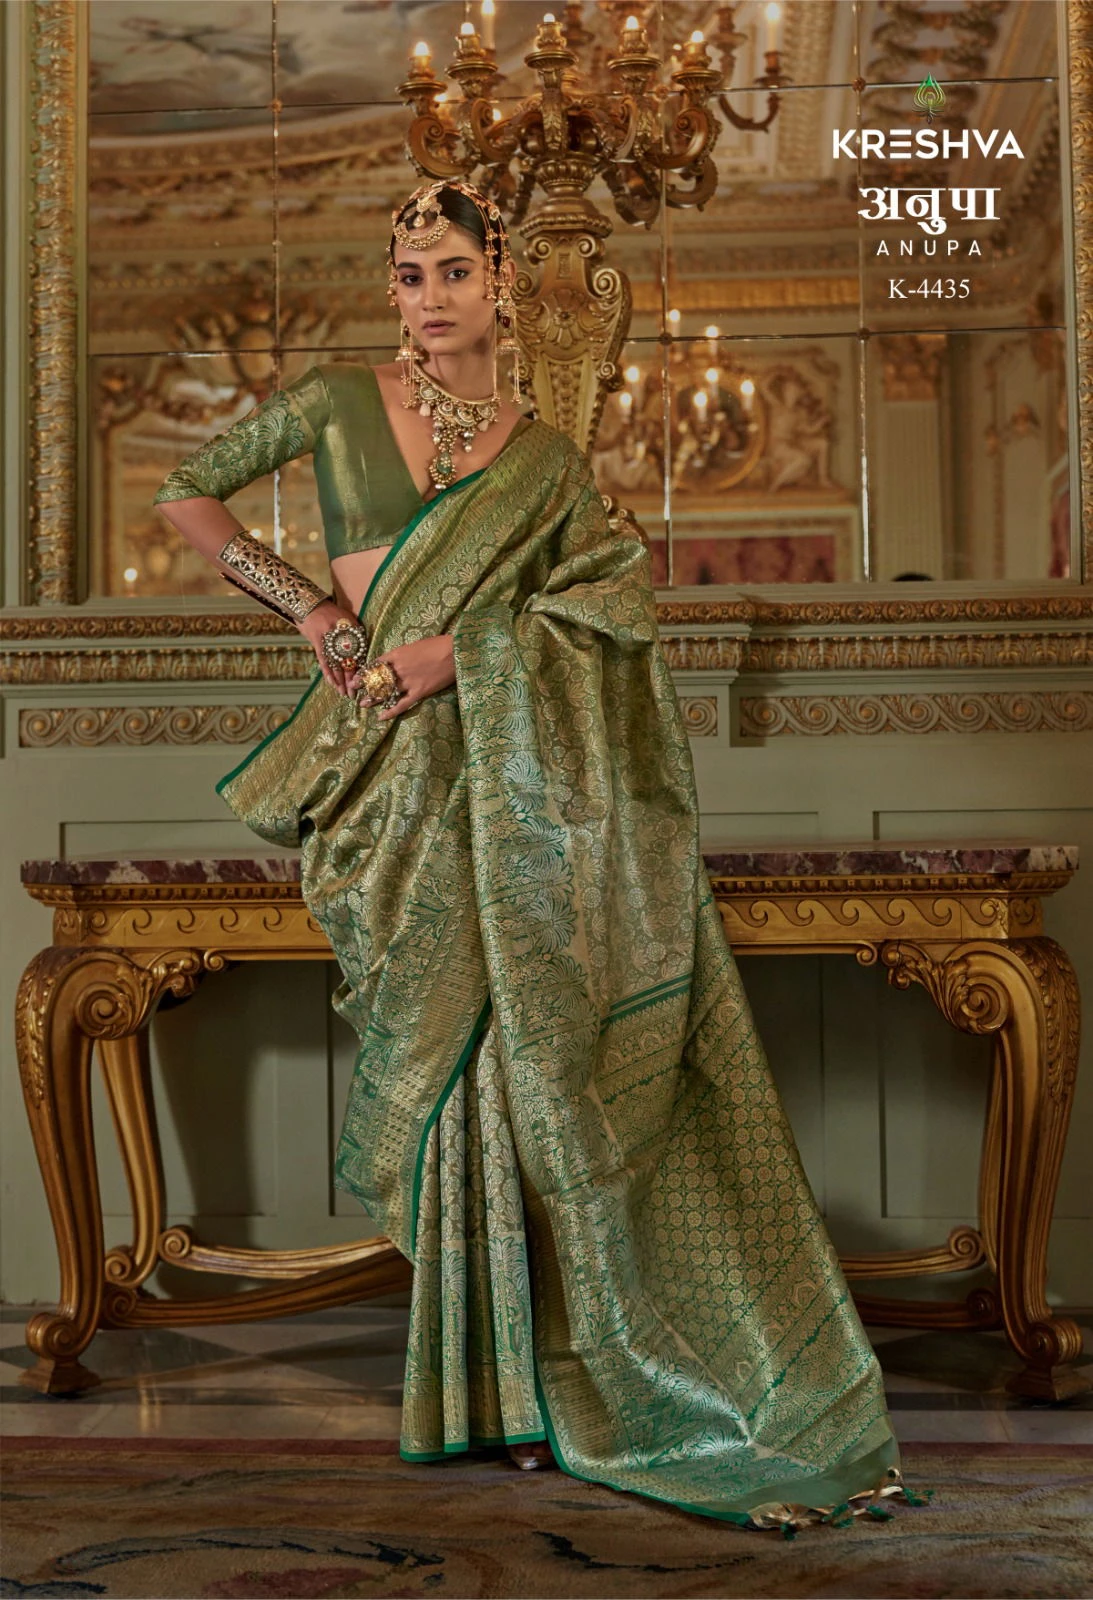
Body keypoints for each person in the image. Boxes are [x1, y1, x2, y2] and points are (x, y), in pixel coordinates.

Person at [153, 179, 923, 1533]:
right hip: (384, 787)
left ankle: (532, 1390)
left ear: (500, 283)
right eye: (409, 276)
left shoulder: (548, 461)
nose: (430, 298)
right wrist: (315, 613)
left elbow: (611, 608)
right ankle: (468, 1390)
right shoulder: (337, 403)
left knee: (516, 1078)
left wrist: (462, 652)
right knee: (443, 1078)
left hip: (510, 788)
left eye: (453, 270)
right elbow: (186, 492)